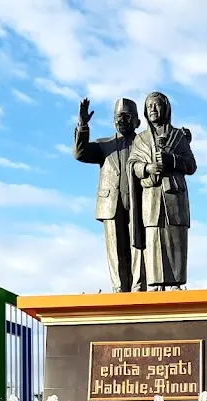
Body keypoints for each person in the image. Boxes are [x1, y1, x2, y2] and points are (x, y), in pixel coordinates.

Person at [73, 97, 145, 292]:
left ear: (137, 121)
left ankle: (139, 288)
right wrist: (82, 125)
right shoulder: (104, 145)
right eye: (118, 116)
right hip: (111, 204)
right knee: (115, 248)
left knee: (139, 245)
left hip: (139, 202)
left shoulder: (144, 143)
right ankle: (120, 289)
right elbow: (80, 153)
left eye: (127, 116)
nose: (122, 120)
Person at [129, 91, 197, 290]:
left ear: (165, 109)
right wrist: (147, 168)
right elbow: (133, 164)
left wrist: (172, 160)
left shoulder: (178, 136)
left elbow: (191, 165)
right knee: (154, 238)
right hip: (151, 196)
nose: (152, 109)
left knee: (176, 238)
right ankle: (156, 283)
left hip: (174, 197)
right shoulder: (140, 139)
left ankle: (176, 283)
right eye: (149, 106)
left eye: (156, 105)